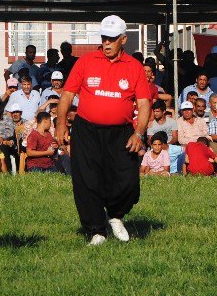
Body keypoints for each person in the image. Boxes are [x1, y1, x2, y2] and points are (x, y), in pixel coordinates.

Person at [55, 15, 150, 246]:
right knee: (87, 181)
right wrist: (60, 124)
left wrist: (138, 132)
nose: (107, 43)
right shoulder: (86, 62)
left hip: (121, 133)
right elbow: (67, 95)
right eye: (104, 38)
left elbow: (145, 103)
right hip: (86, 131)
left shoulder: (134, 67)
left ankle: (116, 215)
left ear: (123, 39)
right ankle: (96, 230)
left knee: (128, 181)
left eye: (112, 39)